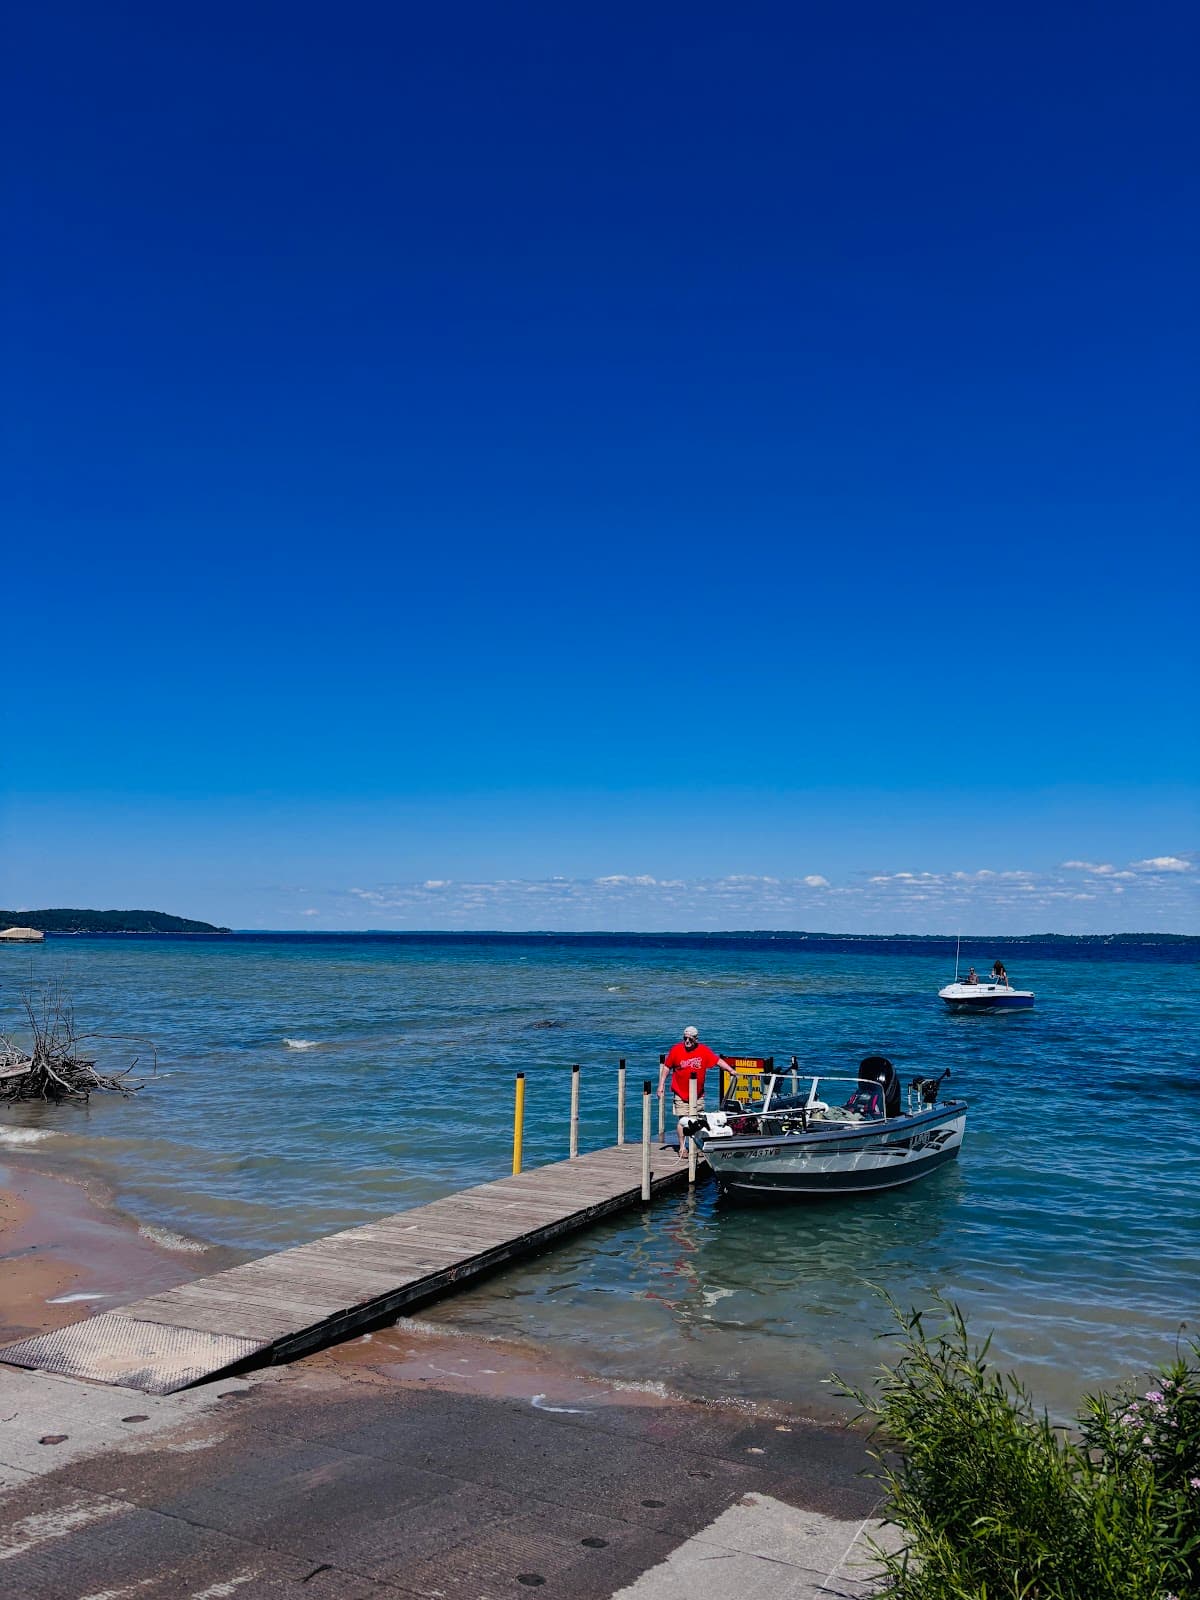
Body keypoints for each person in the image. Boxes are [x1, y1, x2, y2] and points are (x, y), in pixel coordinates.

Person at [658, 1026, 731, 1161]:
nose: (687, 1041)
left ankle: (696, 1147)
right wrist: (661, 1085)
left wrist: (731, 1070)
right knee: (683, 1120)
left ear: (696, 1039)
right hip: (680, 1092)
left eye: (690, 1039)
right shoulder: (676, 1050)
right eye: (685, 1038)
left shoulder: (703, 1050)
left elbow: (717, 1061)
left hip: (698, 1094)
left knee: (697, 1121)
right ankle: (682, 1147)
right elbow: (667, 1067)